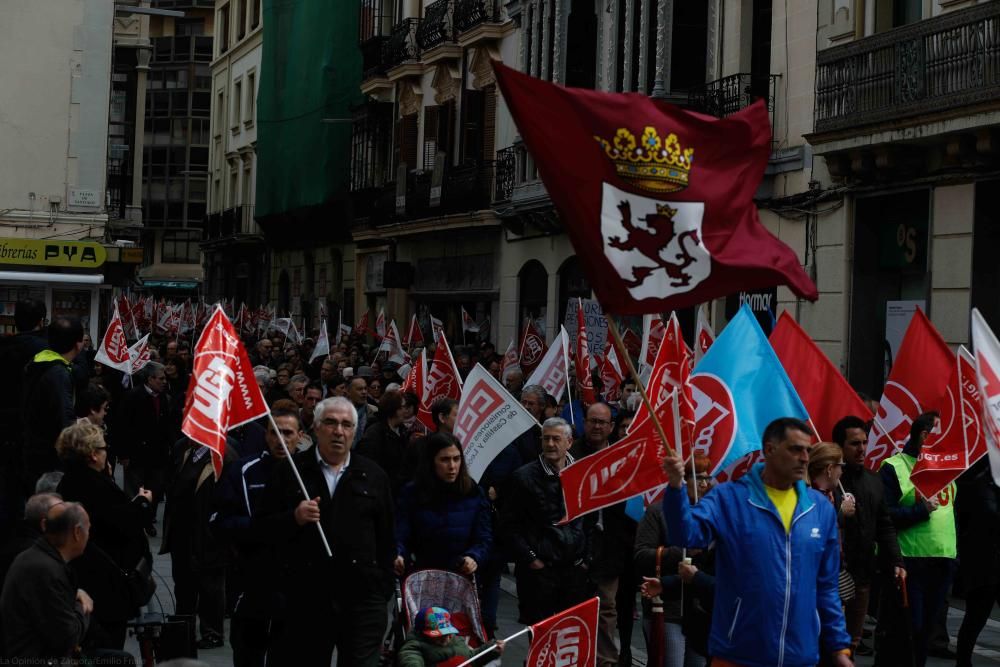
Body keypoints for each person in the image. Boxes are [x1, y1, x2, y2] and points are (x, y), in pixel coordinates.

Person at [660, 417, 852, 666]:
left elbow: (826, 587)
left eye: (807, 450)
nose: (805, 458)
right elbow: (684, 534)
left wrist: (839, 648)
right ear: (770, 450)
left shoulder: (820, 509)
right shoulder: (729, 498)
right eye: (795, 449)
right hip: (738, 653)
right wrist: (676, 488)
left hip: (800, 656)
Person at [260, 397, 395, 666]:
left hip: (361, 599)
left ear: (354, 432)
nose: (338, 431)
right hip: (306, 599)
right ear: (316, 428)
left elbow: (387, 537)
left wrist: (381, 589)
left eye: (346, 425)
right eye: (331, 423)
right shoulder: (290, 472)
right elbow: (261, 530)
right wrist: (294, 518)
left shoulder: (373, 475)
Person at [212, 408, 303, 667]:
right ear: (266, 436)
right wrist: (258, 529)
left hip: (295, 586)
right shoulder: (244, 470)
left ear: (300, 436)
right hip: (251, 583)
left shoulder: (309, 473)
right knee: (248, 654)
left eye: (288, 433)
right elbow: (219, 521)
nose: (281, 440)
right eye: (275, 433)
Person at [54, 422, 153, 649]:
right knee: (107, 647)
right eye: (103, 447)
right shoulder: (93, 485)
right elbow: (121, 522)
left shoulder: (71, 480)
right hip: (105, 586)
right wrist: (143, 504)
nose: (106, 452)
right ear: (93, 454)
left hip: (89, 579)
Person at [879, 411, 957, 667]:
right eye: (941, 434)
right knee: (909, 630)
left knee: (926, 633)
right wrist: (919, 511)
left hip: (942, 561)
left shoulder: (948, 468)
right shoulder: (895, 467)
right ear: (925, 436)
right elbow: (884, 515)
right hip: (909, 562)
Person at [394, 433, 493, 624]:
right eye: (445, 460)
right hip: (421, 579)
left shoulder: (472, 492)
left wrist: (474, 556)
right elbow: (401, 533)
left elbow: (484, 536)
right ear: (431, 462)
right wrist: (398, 554)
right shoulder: (412, 493)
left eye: (456, 459)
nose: (452, 466)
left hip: (460, 579)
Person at [500, 417, 591, 624]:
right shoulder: (523, 477)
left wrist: (586, 559)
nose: (550, 444)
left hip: (573, 570)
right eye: (546, 439)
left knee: (569, 632)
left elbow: (591, 519)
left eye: (556, 439)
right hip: (539, 573)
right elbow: (509, 524)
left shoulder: (581, 472)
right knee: (540, 635)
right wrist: (531, 558)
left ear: (569, 442)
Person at [832, 415, 904, 657]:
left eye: (864, 442)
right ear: (839, 446)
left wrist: (896, 561)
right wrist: (839, 514)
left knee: (852, 642)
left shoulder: (873, 480)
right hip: (832, 577)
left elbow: (885, 525)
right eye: (854, 443)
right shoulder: (828, 480)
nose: (861, 449)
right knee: (830, 643)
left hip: (863, 574)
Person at [571, 402, 634, 667]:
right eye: (592, 421)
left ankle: (606, 661)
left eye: (602, 422)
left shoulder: (625, 458)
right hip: (574, 547)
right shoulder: (571, 456)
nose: (597, 426)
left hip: (611, 547)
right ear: (584, 423)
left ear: (611, 427)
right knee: (574, 606)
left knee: (607, 608)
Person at [637, 455, 716, 667]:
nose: (704, 484)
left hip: (700, 611)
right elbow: (641, 555)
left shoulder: (710, 514)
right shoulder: (657, 512)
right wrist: (680, 550)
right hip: (667, 608)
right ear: (682, 480)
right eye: (698, 478)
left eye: (707, 478)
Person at [161, 438, 234, 650]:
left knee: (210, 586)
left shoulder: (224, 455)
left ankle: (212, 632)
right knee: (183, 583)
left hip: (209, 534)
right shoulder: (181, 448)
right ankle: (184, 626)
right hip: (182, 533)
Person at [0, 501, 92, 660]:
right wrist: (83, 606)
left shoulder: (36, 558)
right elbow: (68, 638)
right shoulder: (45, 570)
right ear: (77, 532)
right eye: (88, 529)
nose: (89, 535)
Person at [21, 317, 85, 489]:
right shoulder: (59, 373)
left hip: (31, 449)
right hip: (49, 458)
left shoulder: (38, 361)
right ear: (78, 344)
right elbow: (65, 419)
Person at [116, 361, 174, 529]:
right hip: (136, 454)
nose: (164, 382)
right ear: (150, 379)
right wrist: (123, 454)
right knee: (135, 490)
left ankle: (148, 518)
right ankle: (134, 522)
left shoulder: (164, 398)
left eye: (165, 379)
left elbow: (167, 426)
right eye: (161, 379)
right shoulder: (132, 397)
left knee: (155, 489)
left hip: (158, 455)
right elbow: (122, 427)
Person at [954, 457, 1000, 667]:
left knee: (976, 617)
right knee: (975, 617)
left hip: (991, 559)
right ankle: (963, 662)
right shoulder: (972, 482)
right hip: (982, 563)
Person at [397, 606, 504, 667]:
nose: (446, 638)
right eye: (439, 635)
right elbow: (410, 659)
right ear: (423, 634)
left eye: (448, 634)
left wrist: (491, 649)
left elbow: (472, 658)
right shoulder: (416, 646)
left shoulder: (456, 640)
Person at [357, 389, 409, 494]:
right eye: (403, 407)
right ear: (393, 408)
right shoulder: (374, 435)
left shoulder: (403, 431)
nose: (406, 411)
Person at [347, 376, 377, 447]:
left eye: (365, 389)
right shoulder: (339, 412)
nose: (364, 392)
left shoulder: (374, 411)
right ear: (349, 391)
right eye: (359, 389)